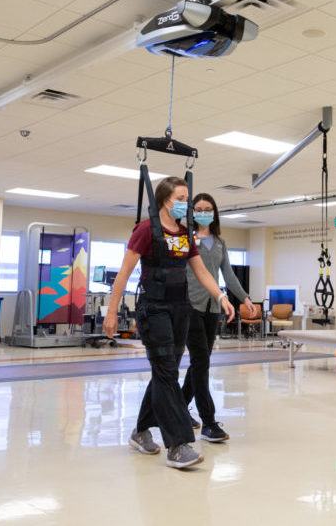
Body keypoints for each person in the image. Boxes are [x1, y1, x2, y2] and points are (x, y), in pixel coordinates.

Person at [103, 177, 235, 470]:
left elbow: (200, 271)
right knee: (166, 372)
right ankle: (178, 444)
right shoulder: (145, 230)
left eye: (186, 198)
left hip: (180, 309)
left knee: (167, 371)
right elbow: (124, 274)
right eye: (181, 198)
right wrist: (112, 312)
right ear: (164, 200)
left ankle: (140, 431)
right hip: (155, 309)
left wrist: (221, 296)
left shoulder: (186, 233)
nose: (185, 204)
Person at [182, 193, 255, 443]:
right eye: (199, 209)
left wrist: (244, 298)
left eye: (208, 208)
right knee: (201, 362)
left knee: (200, 362)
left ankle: (180, 408)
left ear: (214, 213)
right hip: (190, 305)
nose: (203, 212)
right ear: (192, 212)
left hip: (213, 307)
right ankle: (209, 422)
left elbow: (229, 275)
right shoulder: (186, 239)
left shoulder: (220, 243)